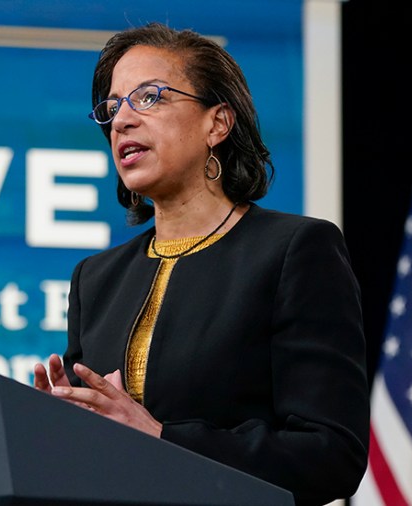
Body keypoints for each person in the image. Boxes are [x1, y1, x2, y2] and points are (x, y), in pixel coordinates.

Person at [32, 22, 368, 506]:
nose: (122, 121)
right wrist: (59, 426)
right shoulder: (97, 279)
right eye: (112, 107)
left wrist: (162, 437)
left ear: (218, 123)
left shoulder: (295, 250)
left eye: (149, 98)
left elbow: (331, 456)